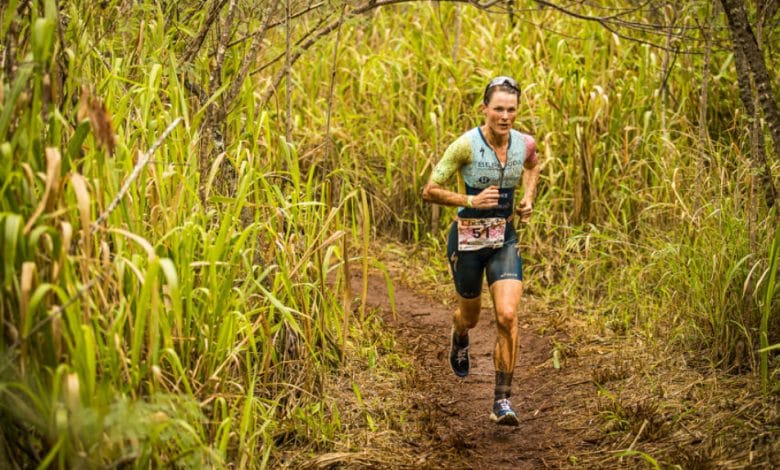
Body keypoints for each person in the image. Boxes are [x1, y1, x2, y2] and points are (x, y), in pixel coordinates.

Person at [421, 76, 540, 426]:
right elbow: (430, 190)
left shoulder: (525, 143)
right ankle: (459, 336)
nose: (505, 116)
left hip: (504, 240)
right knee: (470, 317)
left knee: (506, 315)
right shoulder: (465, 146)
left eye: (511, 110)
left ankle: (502, 401)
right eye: (498, 109)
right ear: (485, 109)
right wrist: (469, 199)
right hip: (468, 242)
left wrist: (529, 197)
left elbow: (533, 165)